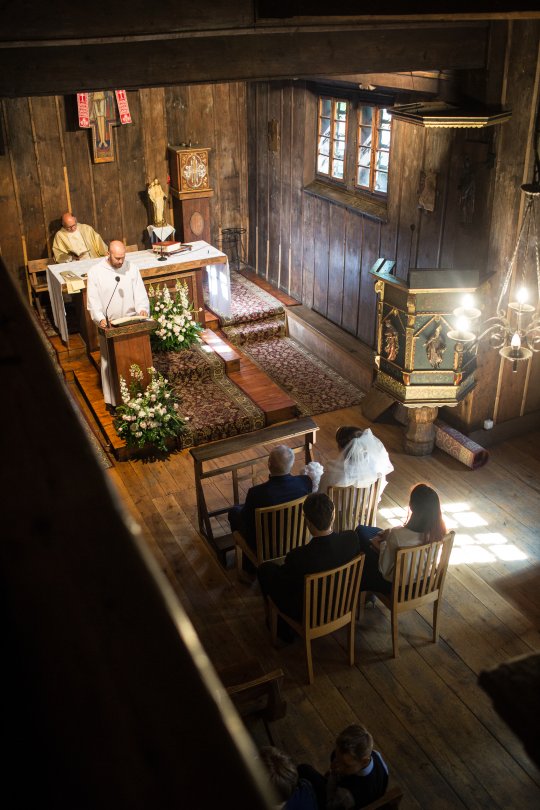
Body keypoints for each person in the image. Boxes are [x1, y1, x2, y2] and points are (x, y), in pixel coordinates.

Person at [257, 493, 361, 641]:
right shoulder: (351, 539)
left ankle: (280, 628)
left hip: (310, 613)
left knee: (265, 570)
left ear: (308, 522)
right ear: (333, 516)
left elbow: (284, 584)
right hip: (342, 605)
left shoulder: (298, 557)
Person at [86, 240, 150, 407]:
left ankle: (138, 397)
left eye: (123, 258)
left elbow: (140, 293)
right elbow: (93, 301)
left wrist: (142, 309)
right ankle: (113, 401)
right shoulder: (95, 272)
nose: (121, 262)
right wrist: (100, 319)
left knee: (133, 360)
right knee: (110, 362)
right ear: (108, 254)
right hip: (110, 325)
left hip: (131, 323)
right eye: (117, 258)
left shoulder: (132, 268)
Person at [356, 483, 447, 594]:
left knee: (361, 533)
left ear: (411, 505)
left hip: (397, 588)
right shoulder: (440, 533)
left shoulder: (397, 535)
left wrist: (383, 543)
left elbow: (384, 569)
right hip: (424, 583)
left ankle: (357, 587)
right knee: (369, 532)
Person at [228, 444, 312, 561]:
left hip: (266, 549)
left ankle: (248, 565)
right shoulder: (305, 482)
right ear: (292, 464)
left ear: (268, 464)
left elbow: (246, 520)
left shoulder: (256, 493)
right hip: (297, 542)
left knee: (233, 512)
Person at [298, 724, 389, 810]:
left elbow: (329, 805)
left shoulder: (347, 795)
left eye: (346, 765)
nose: (338, 766)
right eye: (337, 757)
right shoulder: (376, 755)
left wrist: (333, 776)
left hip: (343, 802)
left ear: (364, 761)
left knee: (304, 769)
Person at [305, 426, 393, 497]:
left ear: (341, 448)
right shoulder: (376, 469)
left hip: (336, 517)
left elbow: (321, 497)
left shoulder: (331, 473)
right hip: (363, 515)